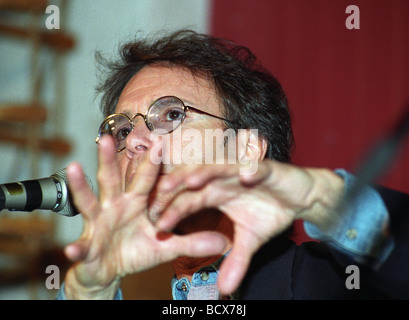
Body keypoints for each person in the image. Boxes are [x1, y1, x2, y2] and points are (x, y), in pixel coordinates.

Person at [57, 30, 409, 300]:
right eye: (120, 130)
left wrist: (319, 196)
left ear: (246, 152)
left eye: (172, 114)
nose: (134, 140)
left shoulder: (327, 283)